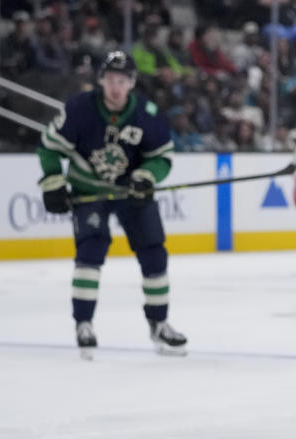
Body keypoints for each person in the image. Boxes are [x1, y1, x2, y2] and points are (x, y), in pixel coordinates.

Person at [37, 50, 187, 359]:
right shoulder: (80, 109)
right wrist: (53, 181)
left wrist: (146, 176)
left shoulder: (147, 113)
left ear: (132, 82)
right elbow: (49, 148)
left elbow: (162, 156)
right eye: (109, 80)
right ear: (101, 81)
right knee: (90, 250)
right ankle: (84, 324)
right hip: (88, 190)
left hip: (129, 192)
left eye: (122, 80)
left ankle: (159, 324)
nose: (115, 87)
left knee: (154, 252)